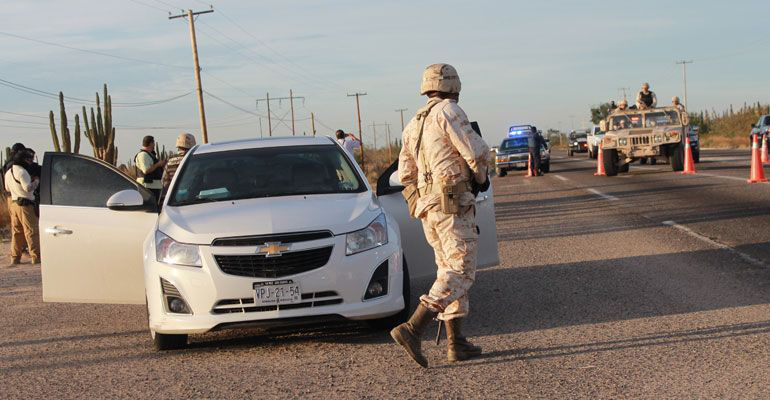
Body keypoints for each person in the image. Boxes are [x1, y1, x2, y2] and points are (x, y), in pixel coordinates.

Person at [390, 63, 490, 368]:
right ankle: (413, 328)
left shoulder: (413, 123)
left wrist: (419, 199)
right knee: (461, 271)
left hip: (428, 209)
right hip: (452, 205)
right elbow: (477, 152)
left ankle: (456, 343)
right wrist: (481, 177)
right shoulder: (449, 111)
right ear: (454, 86)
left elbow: (404, 173)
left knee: (447, 270)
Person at [4, 149, 40, 265]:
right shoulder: (22, 172)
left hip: (14, 204)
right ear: (23, 160)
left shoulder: (9, 172)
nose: (31, 161)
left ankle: (15, 258)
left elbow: (7, 188)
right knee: (31, 231)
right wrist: (36, 182)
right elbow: (27, 188)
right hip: (25, 205)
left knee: (17, 232)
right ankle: (36, 257)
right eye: (29, 159)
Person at [135, 135, 166, 199]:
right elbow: (146, 170)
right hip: (147, 188)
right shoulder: (143, 155)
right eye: (153, 143)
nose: (154, 145)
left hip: (154, 187)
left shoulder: (150, 154)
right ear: (150, 143)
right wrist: (158, 164)